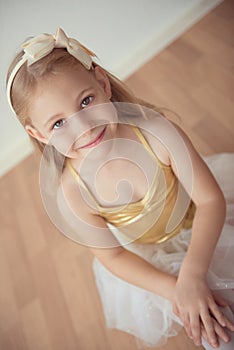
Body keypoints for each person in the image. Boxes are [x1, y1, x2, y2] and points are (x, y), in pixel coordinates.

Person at [6, 28, 234, 349]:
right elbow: (113, 256)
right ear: (40, 135)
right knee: (217, 329)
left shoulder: (158, 133)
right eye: (58, 124)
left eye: (86, 101)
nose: (84, 128)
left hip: (201, 223)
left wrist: (194, 274)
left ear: (102, 83)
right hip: (149, 260)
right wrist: (177, 288)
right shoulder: (73, 193)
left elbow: (210, 201)